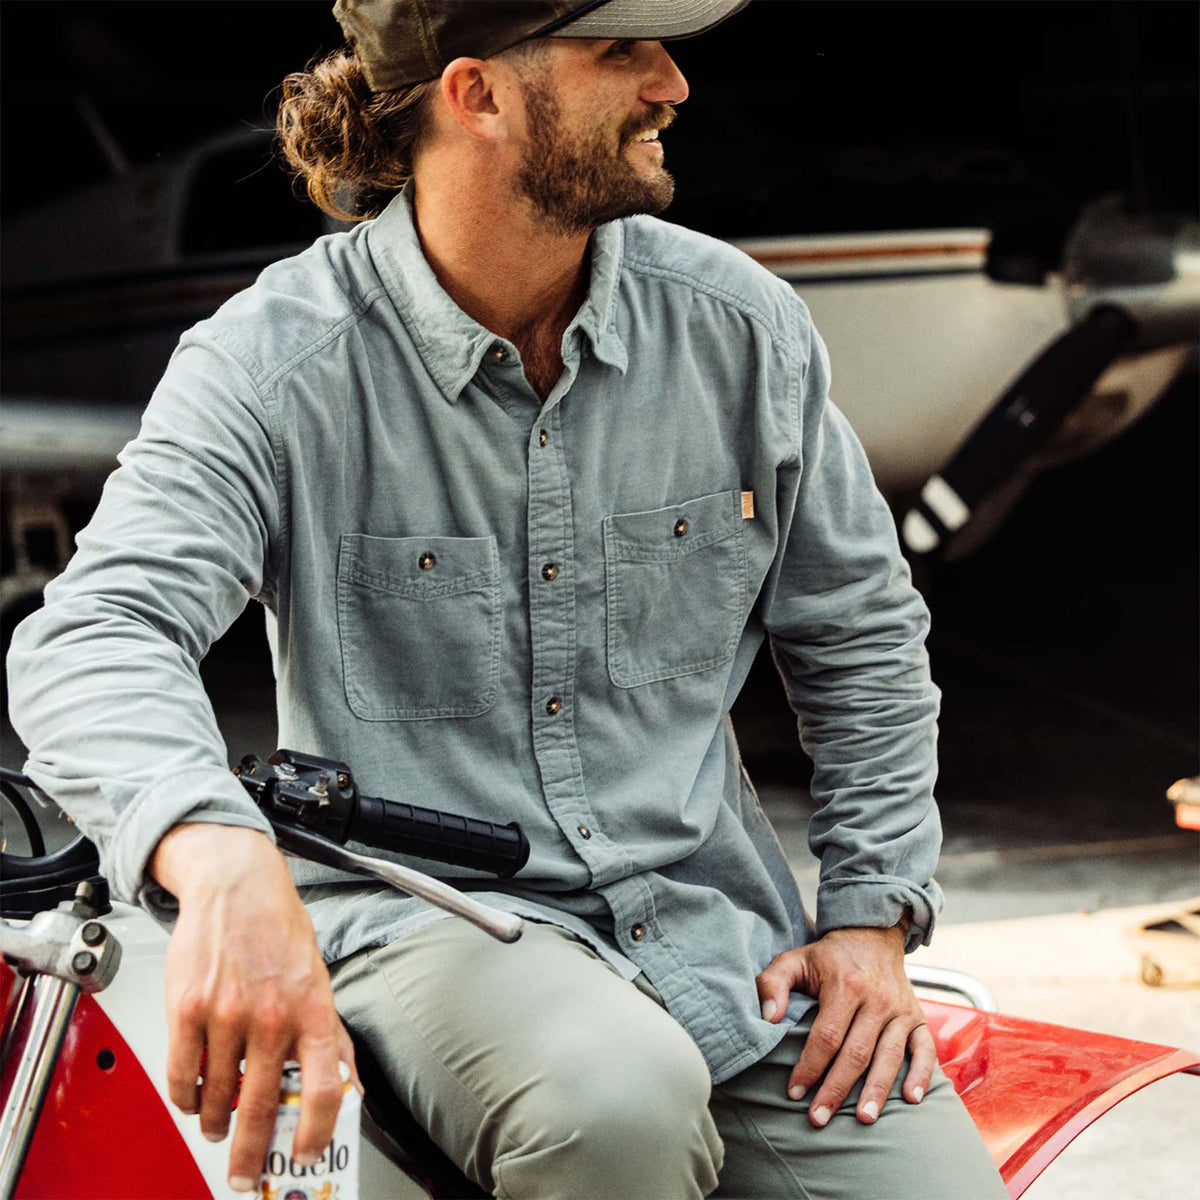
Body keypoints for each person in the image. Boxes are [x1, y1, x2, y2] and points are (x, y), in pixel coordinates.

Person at [6, 1, 1008, 1196]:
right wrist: (218, 856)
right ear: (476, 95)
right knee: (610, 1103)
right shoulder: (270, 365)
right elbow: (97, 632)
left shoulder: (745, 332)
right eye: (621, 51)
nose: (673, 83)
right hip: (427, 926)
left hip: (711, 936)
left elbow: (863, 638)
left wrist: (868, 914)